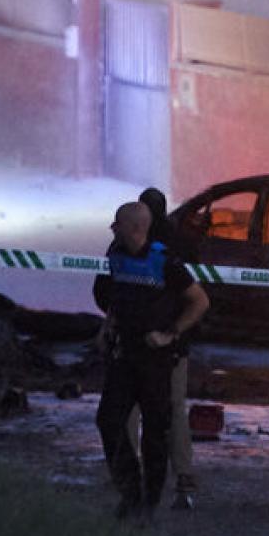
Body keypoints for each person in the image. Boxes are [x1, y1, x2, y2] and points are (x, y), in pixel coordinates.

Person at [93, 201, 210, 519]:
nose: (111, 228)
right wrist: (107, 328)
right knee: (108, 420)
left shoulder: (165, 261)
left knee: (155, 431)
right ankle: (130, 491)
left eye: (116, 222)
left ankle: (148, 503)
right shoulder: (116, 255)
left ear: (133, 227)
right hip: (124, 354)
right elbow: (117, 296)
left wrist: (170, 334)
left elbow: (199, 302)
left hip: (156, 360)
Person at [122, 186, 201, 510]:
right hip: (171, 343)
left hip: (145, 343)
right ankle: (183, 477)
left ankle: (129, 472)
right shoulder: (180, 245)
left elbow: (108, 290)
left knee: (132, 408)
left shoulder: (132, 247)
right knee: (173, 409)